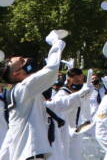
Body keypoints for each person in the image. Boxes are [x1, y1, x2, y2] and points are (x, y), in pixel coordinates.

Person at [0, 32, 66, 160]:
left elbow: (11, 135)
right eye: (22, 61)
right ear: (17, 74)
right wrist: (56, 43)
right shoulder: (23, 88)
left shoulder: (17, 93)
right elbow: (51, 70)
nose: (26, 60)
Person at [50, 67, 94, 159]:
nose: (80, 84)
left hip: (77, 134)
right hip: (65, 136)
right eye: (77, 81)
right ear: (68, 80)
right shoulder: (62, 95)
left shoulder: (79, 92)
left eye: (82, 80)